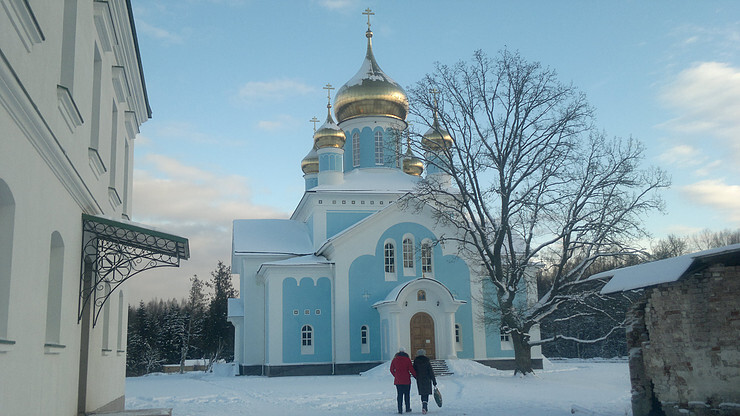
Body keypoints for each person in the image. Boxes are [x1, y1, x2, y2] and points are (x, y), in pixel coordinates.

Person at [390, 347, 416, 414]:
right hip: (406, 380)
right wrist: (416, 376)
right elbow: (411, 369)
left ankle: (400, 409)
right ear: (404, 352)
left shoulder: (395, 360)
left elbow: (391, 369)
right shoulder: (407, 359)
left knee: (399, 395)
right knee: (407, 394)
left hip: (398, 380)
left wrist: (395, 375)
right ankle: (407, 408)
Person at [412, 349, 437, 414]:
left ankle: (424, 406)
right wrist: (434, 381)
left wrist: (416, 377)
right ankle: (425, 406)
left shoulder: (416, 361)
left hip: (420, 379)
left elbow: (413, 371)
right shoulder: (427, 361)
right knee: (426, 393)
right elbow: (431, 371)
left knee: (422, 393)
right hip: (427, 379)